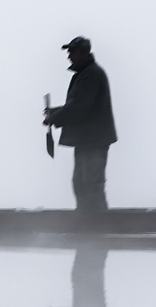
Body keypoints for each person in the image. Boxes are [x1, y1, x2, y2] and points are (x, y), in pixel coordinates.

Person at [44, 36, 117, 210]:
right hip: (87, 140)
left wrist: (54, 118)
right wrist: (56, 113)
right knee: (81, 183)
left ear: (83, 53)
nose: (69, 56)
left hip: (94, 141)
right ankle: (87, 221)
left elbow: (80, 106)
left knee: (90, 183)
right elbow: (79, 104)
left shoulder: (91, 74)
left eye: (72, 52)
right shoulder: (86, 74)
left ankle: (96, 225)